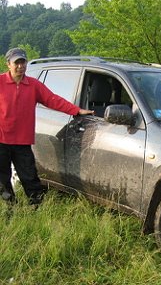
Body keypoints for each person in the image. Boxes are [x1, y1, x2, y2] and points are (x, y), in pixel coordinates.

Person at [0, 48, 94, 206]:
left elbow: (53, 100)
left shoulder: (33, 85)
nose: (20, 66)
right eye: (17, 63)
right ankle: (10, 208)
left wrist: (76, 110)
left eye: (23, 62)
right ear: (8, 64)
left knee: (30, 177)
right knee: (2, 179)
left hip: (22, 142)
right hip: (1, 139)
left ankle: (36, 207)